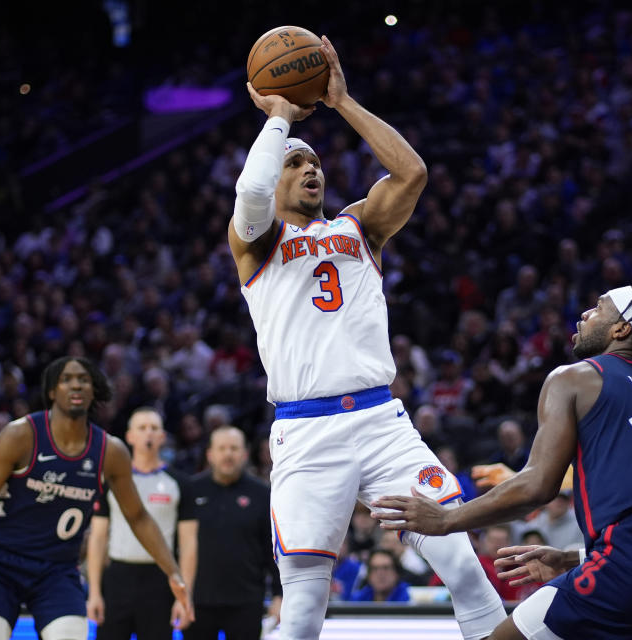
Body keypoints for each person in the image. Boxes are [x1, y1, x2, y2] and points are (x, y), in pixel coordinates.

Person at [226, 34, 506, 640]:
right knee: (301, 613)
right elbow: (250, 193)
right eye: (296, 163)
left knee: (461, 561)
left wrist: (342, 102)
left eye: (315, 162)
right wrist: (279, 117)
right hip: (305, 432)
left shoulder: (359, 227)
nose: (310, 169)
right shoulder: (257, 240)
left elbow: (412, 172)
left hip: (383, 423)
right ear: (276, 175)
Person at [374, 286, 632, 639]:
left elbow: (538, 487)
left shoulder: (577, 377)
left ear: (621, 328)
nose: (585, 314)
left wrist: (447, 519)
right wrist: (573, 558)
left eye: (599, 307)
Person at [0, 356, 193, 640]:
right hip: (0, 563)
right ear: (52, 391)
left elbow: (137, 517)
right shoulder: (20, 436)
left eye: (84, 380)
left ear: (93, 391)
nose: (76, 385)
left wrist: (173, 572)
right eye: (67, 379)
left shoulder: (110, 451)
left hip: (57, 569)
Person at [86, 407, 198, 640]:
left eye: (154, 428)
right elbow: (97, 538)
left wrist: (184, 594)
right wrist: (94, 592)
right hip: (118, 577)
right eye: (142, 428)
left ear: (162, 437)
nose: (148, 433)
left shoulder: (180, 483)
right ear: (129, 436)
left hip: (160, 579)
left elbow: (188, 544)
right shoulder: (112, 480)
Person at [186, 426, 281, 640]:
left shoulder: (263, 494)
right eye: (222, 448)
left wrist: (278, 594)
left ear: (245, 454)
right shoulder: (191, 491)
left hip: (246, 602)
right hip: (197, 601)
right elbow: (177, 546)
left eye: (234, 448)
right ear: (210, 454)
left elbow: (272, 549)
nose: (228, 454)